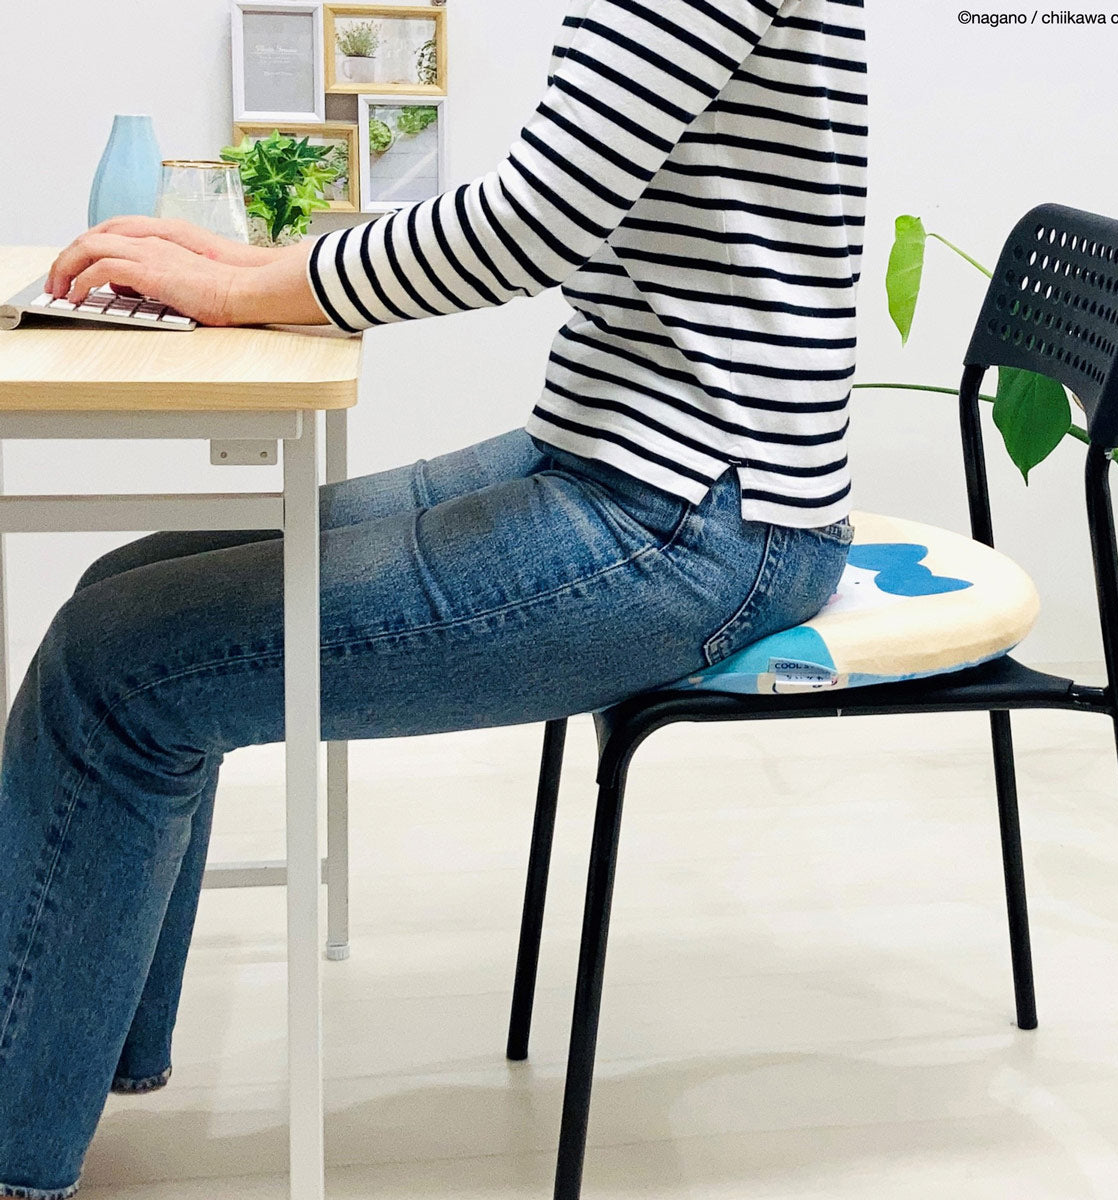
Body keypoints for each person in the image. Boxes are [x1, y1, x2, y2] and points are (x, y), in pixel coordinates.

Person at [0, 0, 867, 1194]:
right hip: (630, 465)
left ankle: (15, 1135)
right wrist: (239, 268)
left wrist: (250, 290)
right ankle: (66, 1059)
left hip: (689, 515)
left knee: (118, 666)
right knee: (125, 591)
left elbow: (538, 219)